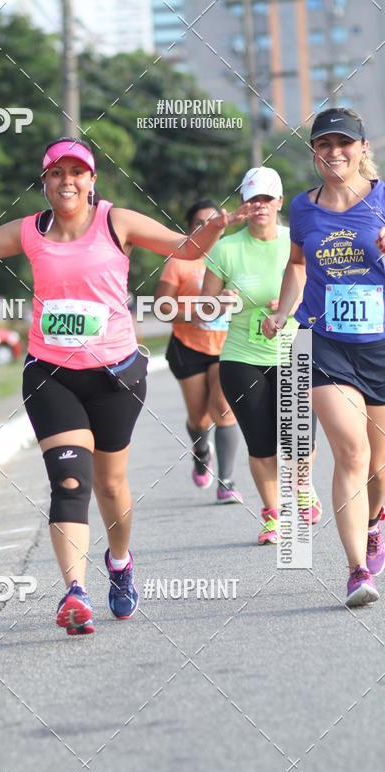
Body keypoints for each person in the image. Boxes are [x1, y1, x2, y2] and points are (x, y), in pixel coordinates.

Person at [0, 136, 250, 635]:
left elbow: (187, 247)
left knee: (111, 484)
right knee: (69, 482)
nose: (67, 182)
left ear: (91, 180)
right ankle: (75, 592)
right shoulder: (31, 231)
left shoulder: (115, 222)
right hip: (50, 374)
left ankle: (120, 562)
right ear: (45, 183)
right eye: (57, 174)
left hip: (115, 374)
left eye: (76, 172)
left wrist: (215, 226)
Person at [263, 108, 385, 607]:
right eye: (323, 144)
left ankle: (376, 522)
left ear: (361, 148)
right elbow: (296, 265)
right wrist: (283, 311)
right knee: (351, 451)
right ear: (313, 152)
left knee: (380, 466)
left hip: (379, 343)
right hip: (322, 342)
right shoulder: (304, 208)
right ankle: (357, 570)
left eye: (343, 143)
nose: (334, 152)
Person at [202, 166, 321, 545]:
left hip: (294, 350)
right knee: (262, 442)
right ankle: (273, 515)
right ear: (244, 204)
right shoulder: (226, 247)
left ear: (279, 202)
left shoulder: (295, 241)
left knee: (300, 437)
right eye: (252, 199)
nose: (259, 206)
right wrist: (222, 301)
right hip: (241, 356)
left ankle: (302, 486)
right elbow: (204, 306)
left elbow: (317, 288)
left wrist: (291, 302)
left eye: (266, 199)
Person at [155, 199, 242, 503]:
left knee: (223, 408)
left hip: (227, 347)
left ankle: (227, 481)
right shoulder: (180, 261)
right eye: (199, 224)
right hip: (188, 348)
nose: (208, 228)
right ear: (190, 230)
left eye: (214, 221)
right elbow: (162, 306)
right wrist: (197, 312)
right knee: (199, 418)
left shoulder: (234, 255)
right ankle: (202, 450)